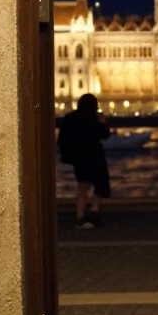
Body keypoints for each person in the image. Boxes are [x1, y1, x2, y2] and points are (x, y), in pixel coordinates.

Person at [58, 94, 112, 229]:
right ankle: (94, 210)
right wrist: (103, 122)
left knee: (82, 187)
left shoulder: (70, 118)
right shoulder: (93, 118)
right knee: (101, 185)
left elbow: (62, 139)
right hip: (95, 156)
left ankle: (80, 217)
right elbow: (104, 134)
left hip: (79, 158)